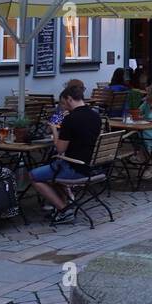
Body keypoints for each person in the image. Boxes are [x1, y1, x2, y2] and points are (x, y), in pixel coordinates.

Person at [30, 84, 102, 216]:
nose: (63, 106)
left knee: (34, 176)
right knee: (53, 171)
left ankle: (63, 209)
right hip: (92, 166)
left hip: (75, 167)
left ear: (69, 99)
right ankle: (64, 204)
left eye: (63, 103)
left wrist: (54, 130)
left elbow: (60, 149)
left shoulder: (71, 119)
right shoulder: (95, 116)